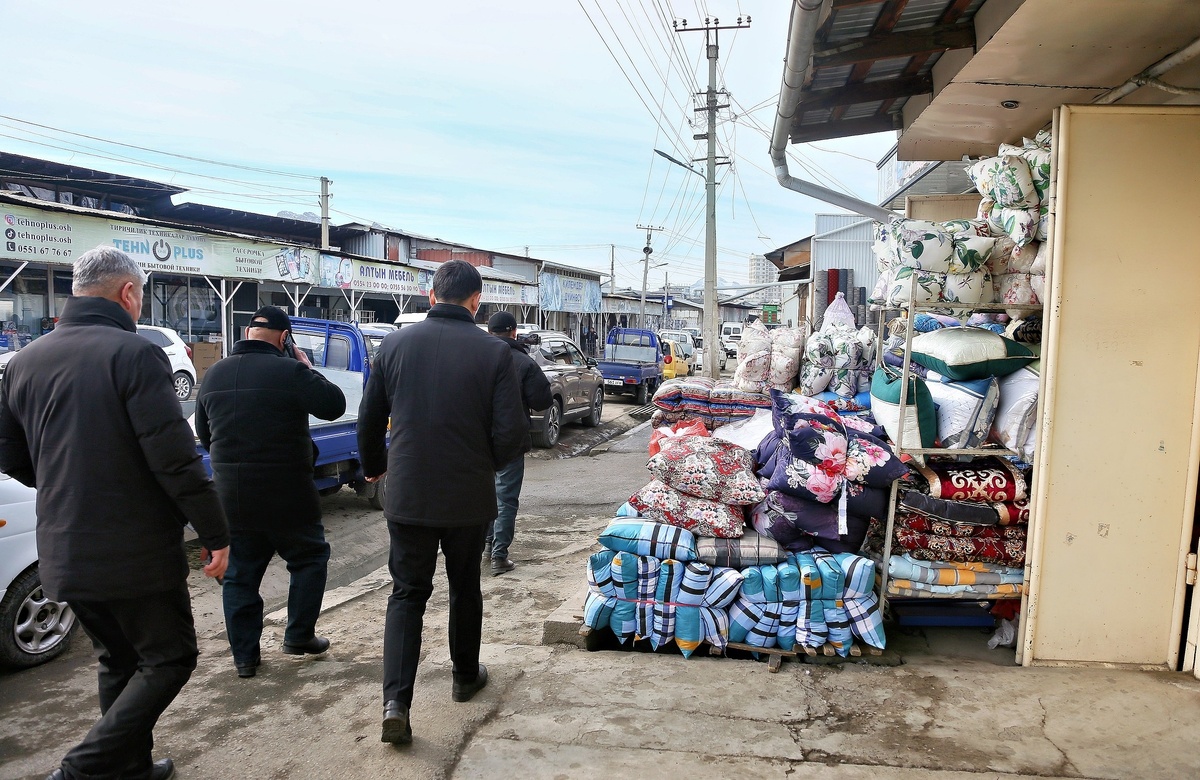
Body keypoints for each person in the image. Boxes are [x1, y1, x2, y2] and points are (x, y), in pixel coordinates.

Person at [0, 246, 229, 780]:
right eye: (141, 296)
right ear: (128, 293)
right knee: (170, 658)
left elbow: (10, 453)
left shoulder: (24, 362)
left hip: (60, 546)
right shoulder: (134, 355)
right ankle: (81, 770)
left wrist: (66, 482)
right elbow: (175, 460)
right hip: (133, 552)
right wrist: (217, 532)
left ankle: (129, 769)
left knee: (118, 660)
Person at [358, 260, 526, 746]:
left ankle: (396, 703)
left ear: (432, 296)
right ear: (476, 302)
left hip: (407, 492)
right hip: (467, 496)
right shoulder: (494, 352)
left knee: (406, 594)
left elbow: (369, 419)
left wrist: (374, 468)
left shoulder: (393, 344)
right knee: (464, 585)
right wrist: (484, 464)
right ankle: (464, 676)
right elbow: (511, 434)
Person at [195, 306, 346, 679]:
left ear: (247, 333)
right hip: (288, 494)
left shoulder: (213, 375)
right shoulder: (292, 371)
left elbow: (205, 435)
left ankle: (245, 658)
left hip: (232, 497)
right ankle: (298, 636)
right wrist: (307, 368)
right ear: (284, 338)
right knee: (310, 558)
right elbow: (334, 405)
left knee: (240, 575)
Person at [484, 311, 552, 575]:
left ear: (490, 332)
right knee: (506, 499)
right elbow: (542, 401)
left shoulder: (478, 357)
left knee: (484, 495)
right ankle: (498, 557)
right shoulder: (524, 362)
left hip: (479, 440)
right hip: (510, 441)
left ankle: (487, 546)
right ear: (513, 332)